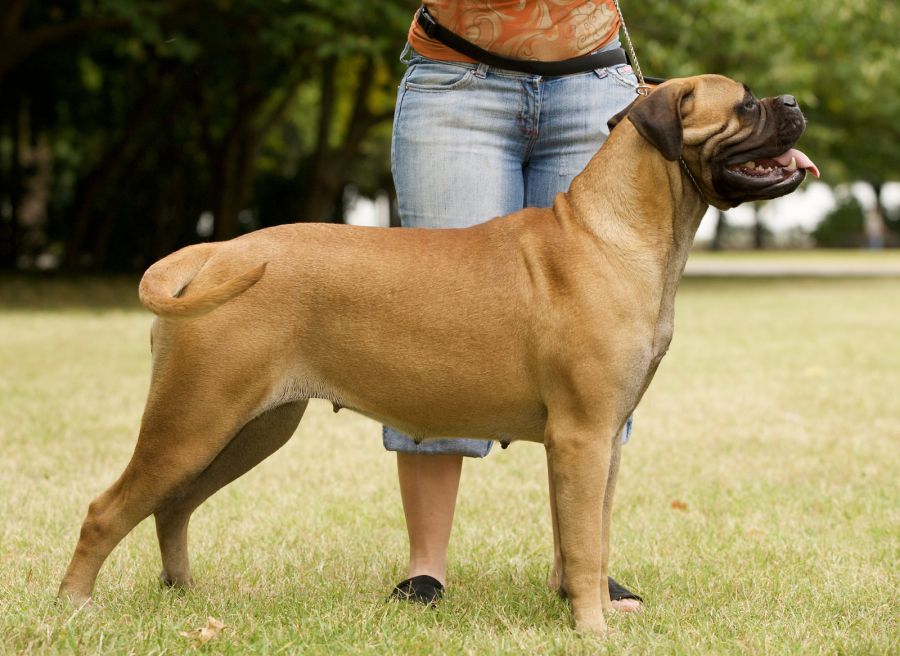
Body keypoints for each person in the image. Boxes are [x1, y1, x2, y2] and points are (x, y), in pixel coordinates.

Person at [384, 1, 643, 611]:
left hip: (594, 85)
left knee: (595, 333)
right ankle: (426, 569)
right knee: (440, 321)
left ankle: (581, 569)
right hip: (457, 80)